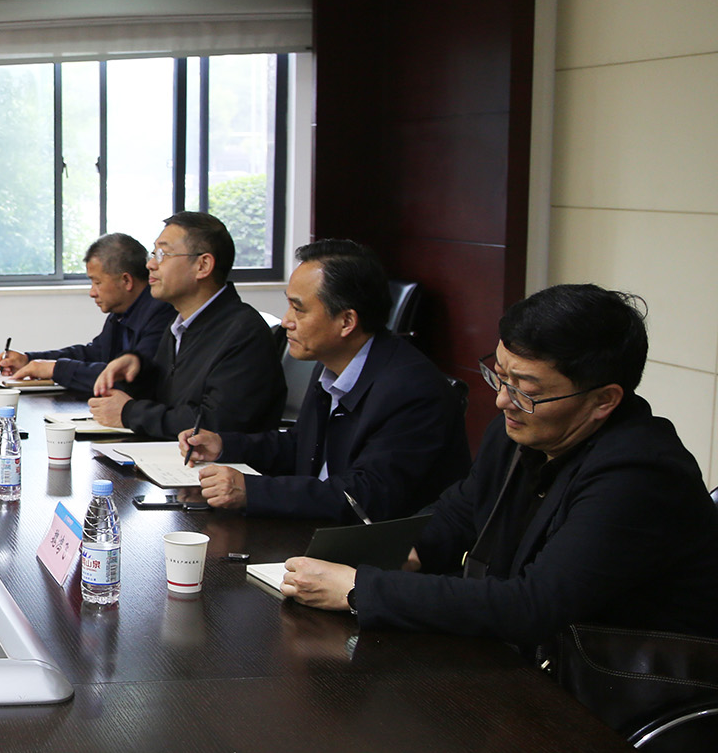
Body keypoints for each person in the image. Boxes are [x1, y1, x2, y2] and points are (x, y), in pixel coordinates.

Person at [280, 285, 718, 646]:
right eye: (500, 376)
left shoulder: (640, 475)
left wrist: (359, 589)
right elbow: (458, 513)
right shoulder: (521, 431)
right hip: (532, 664)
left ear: (604, 400)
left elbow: (535, 606)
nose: (502, 400)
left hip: (616, 692)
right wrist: (405, 553)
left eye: (526, 389)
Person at [177, 240, 469, 520]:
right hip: (319, 525)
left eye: (299, 309)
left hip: (375, 545)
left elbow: (365, 497)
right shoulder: (332, 364)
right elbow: (304, 446)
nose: (286, 321)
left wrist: (252, 491)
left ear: (346, 322)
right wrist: (224, 446)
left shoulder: (411, 390)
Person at [89, 211, 285, 437]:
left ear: (203, 265)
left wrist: (129, 413)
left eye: (163, 254)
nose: (150, 264)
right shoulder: (179, 325)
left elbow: (214, 426)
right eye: (153, 254)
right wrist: (137, 368)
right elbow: (170, 399)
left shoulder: (243, 332)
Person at [0, 232, 171, 390]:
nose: (92, 292)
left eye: (97, 282)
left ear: (126, 281)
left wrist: (56, 369)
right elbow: (93, 355)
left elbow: (129, 378)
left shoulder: (162, 312)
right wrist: (29, 360)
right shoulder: (120, 313)